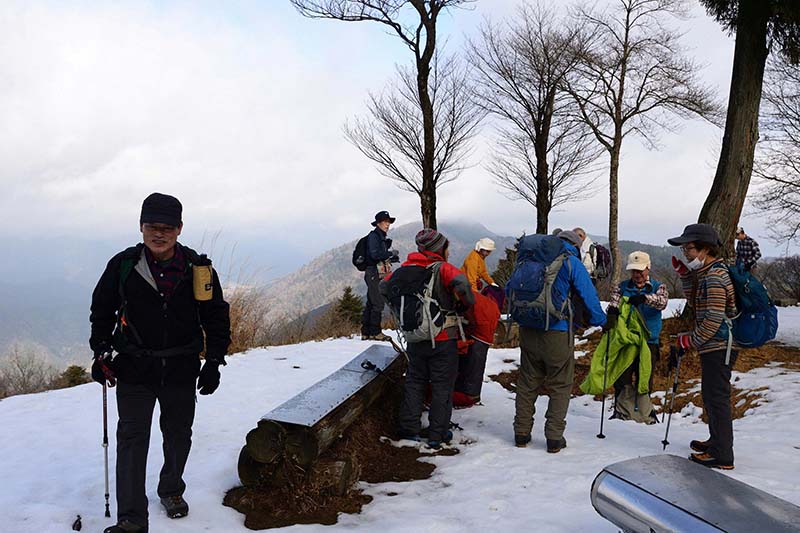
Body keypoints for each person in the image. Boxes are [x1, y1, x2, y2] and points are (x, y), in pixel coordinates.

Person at [90, 193, 231, 533]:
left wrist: (213, 361)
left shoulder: (198, 268)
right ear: (141, 226)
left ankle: (170, 490)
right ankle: (132, 519)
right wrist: (101, 351)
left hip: (181, 368)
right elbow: (102, 309)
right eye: (153, 226)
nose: (159, 234)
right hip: (134, 368)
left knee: (179, 436)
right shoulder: (123, 265)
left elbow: (216, 315)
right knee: (131, 440)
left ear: (179, 229)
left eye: (167, 227)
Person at [512, 234, 606, 453]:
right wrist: (600, 321)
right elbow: (589, 295)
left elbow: (511, 288)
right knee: (560, 384)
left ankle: (521, 433)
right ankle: (554, 438)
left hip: (527, 329)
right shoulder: (570, 261)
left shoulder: (528, 259)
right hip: (557, 331)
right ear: (575, 245)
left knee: (527, 382)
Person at [384, 228, 474, 449]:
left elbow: (383, 286)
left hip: (414, 338)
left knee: (415, 382)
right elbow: (463, 285)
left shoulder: (404, 269)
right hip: (443, 337)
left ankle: (409, 430)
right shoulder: (442, 268)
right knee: (443, 385)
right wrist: (464, 304)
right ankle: (438, 433)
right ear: (439, 248)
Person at [668, 223, 738, 470]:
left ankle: (722, 454)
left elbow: (712, 320)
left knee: (717, 397)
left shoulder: (716, 277)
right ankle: (716, 441)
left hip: (720, 346)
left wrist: (689, 340)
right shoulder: (707, 274)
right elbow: (697, 302)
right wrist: (686, 276)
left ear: (704, 249)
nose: (685, 253)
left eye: (689, 248)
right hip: (714, 345)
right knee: (711, 394)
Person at [605, 251, 668, 423]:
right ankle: (621, 411)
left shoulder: (658, 287)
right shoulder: (622, 287)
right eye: (634, 271)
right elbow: (614, 302)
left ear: (648, 268)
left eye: (640, 271)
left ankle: (644, 413)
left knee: (644, 377)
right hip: (626, 341)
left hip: (649, 341)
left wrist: (644, 299)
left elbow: (662, 302)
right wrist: (611, 314)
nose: (637, 275)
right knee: (622, 376)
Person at [453, 285, 503, 408]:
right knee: (474, 361)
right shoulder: (484, 301)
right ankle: (470, 392)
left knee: (469, 359)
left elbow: (470, 321)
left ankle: (466, 394)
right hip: (486, 325)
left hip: (479, 327)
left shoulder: (462, 297)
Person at [361, 210, 400, 341]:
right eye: (384, 222)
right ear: (378, 223)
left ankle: (366, 332)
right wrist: (390, 253)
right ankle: (375, 332)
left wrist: (391, 258)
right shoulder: (374, 236)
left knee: (371, 302)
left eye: (388, 222)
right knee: (377, 302)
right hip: (373, 272)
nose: (387, 224)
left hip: (374, 272)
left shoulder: (380, 237)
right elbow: (374, 254)